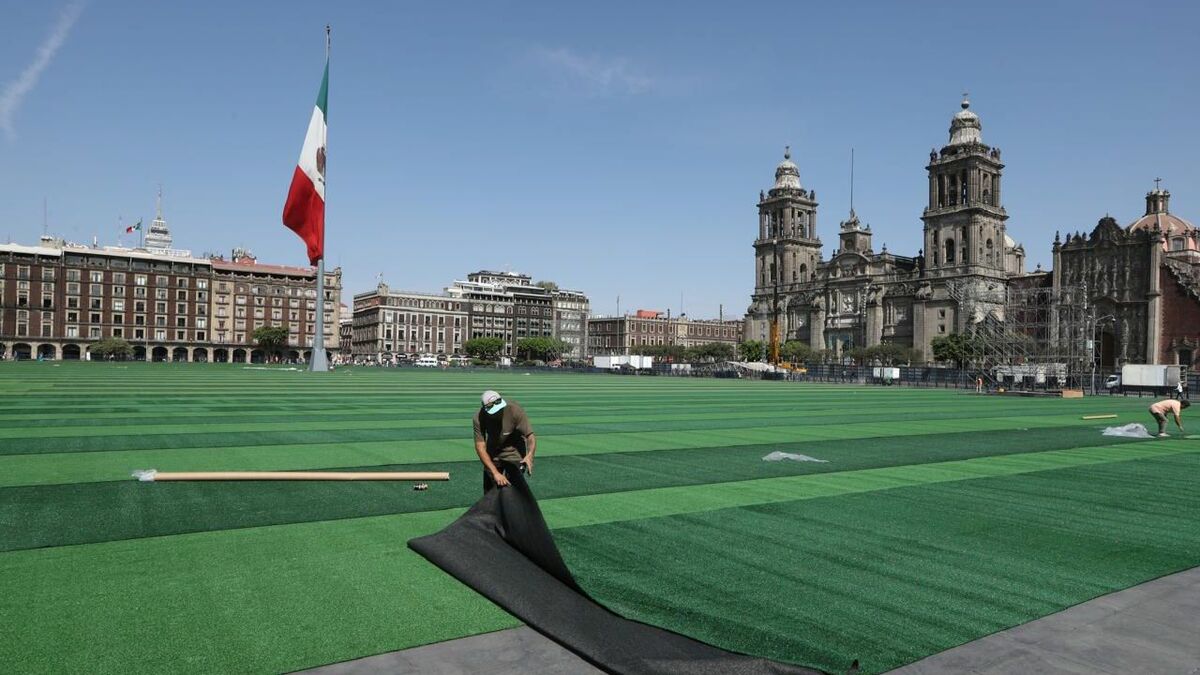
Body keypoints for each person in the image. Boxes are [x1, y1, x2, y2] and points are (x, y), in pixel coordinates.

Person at [473, 390, 536, 492]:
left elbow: (530, 436)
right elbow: (480, 446)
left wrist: (530, 455)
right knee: (490, 492)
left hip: (515, 453)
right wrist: (495, 473)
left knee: (513, 491)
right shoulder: (479, 417)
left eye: (499, 409)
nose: (498, 413)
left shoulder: (514, 410)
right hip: (493, 453)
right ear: (485, 409)